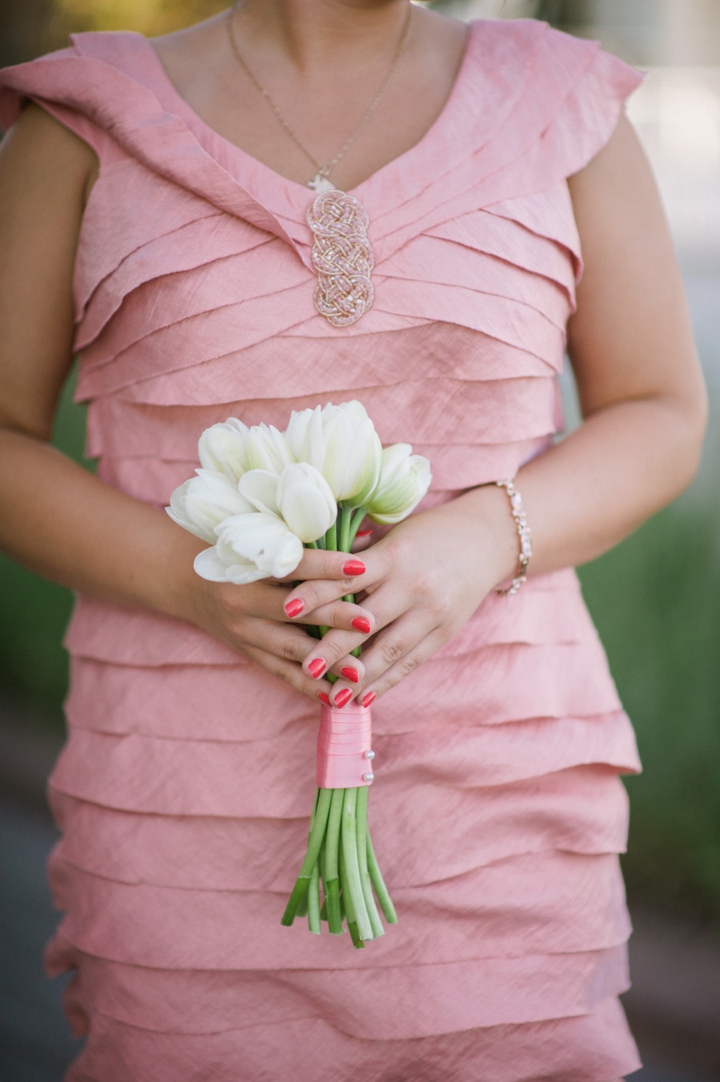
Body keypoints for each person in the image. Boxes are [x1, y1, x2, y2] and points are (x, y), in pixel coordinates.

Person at [0, 1, 707, 1079]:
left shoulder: (562, 105)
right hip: (188, 808)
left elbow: (661, 411)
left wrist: (487, 535)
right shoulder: (87, 122)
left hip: (499, 795)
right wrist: (188, 582)